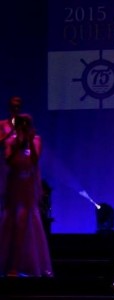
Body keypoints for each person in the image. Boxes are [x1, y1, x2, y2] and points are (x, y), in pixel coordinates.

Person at [0, 113, 53, 277]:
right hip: (14, 185)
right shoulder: (10, 141)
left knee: (26, 222)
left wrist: (28, 140)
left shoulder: (36, 140)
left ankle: (25, 265)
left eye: (26, 123)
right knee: (11, 222)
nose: (23, 126)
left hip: (28, 186)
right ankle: (9, 264)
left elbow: (35, 160)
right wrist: (17, 144)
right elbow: (7, 159)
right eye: (21, 123)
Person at [0, 96, 23, 211]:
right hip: (5, 165)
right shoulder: (2, 124)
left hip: (19, 165)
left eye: (18, 107)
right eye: (14, 106)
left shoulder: (24, 124)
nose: (16, 108)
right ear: (10, 108)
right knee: (4, 195)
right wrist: (11, 132)